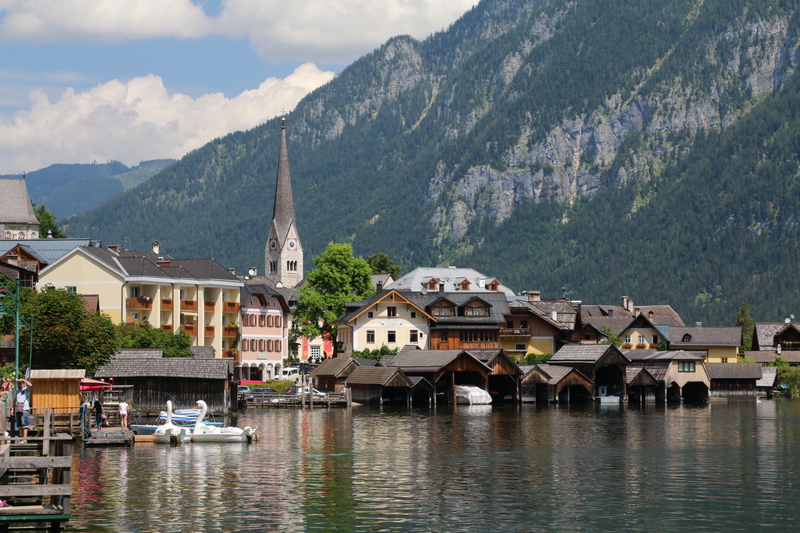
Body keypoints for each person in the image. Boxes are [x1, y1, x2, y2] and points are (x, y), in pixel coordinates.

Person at [14, 379, 32, 443]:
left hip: (24, 410)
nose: (19, 385)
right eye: (18, 384)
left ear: (23, 384)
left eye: (20, 383)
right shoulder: (16, 391)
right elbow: (15, 400)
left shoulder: (26, 390)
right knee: (20, 426)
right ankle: (21, 439)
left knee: (25, 426)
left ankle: (24, 440)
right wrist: (12, 409)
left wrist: (24, 380)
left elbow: (30, 385)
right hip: (18, 409)